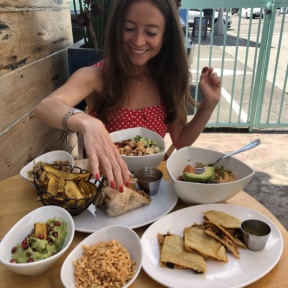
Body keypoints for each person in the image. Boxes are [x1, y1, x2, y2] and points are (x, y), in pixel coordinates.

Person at [35, 0, 221, 193]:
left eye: (151, 32)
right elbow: (46, 107)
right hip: (108, 189)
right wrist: (87, 122)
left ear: (166, 36)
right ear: (118, 28)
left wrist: (209, 105)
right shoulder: (96, 76)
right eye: (129, 28)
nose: (138, 41)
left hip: (153, 185)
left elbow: (181, 140)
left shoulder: (169, 79)